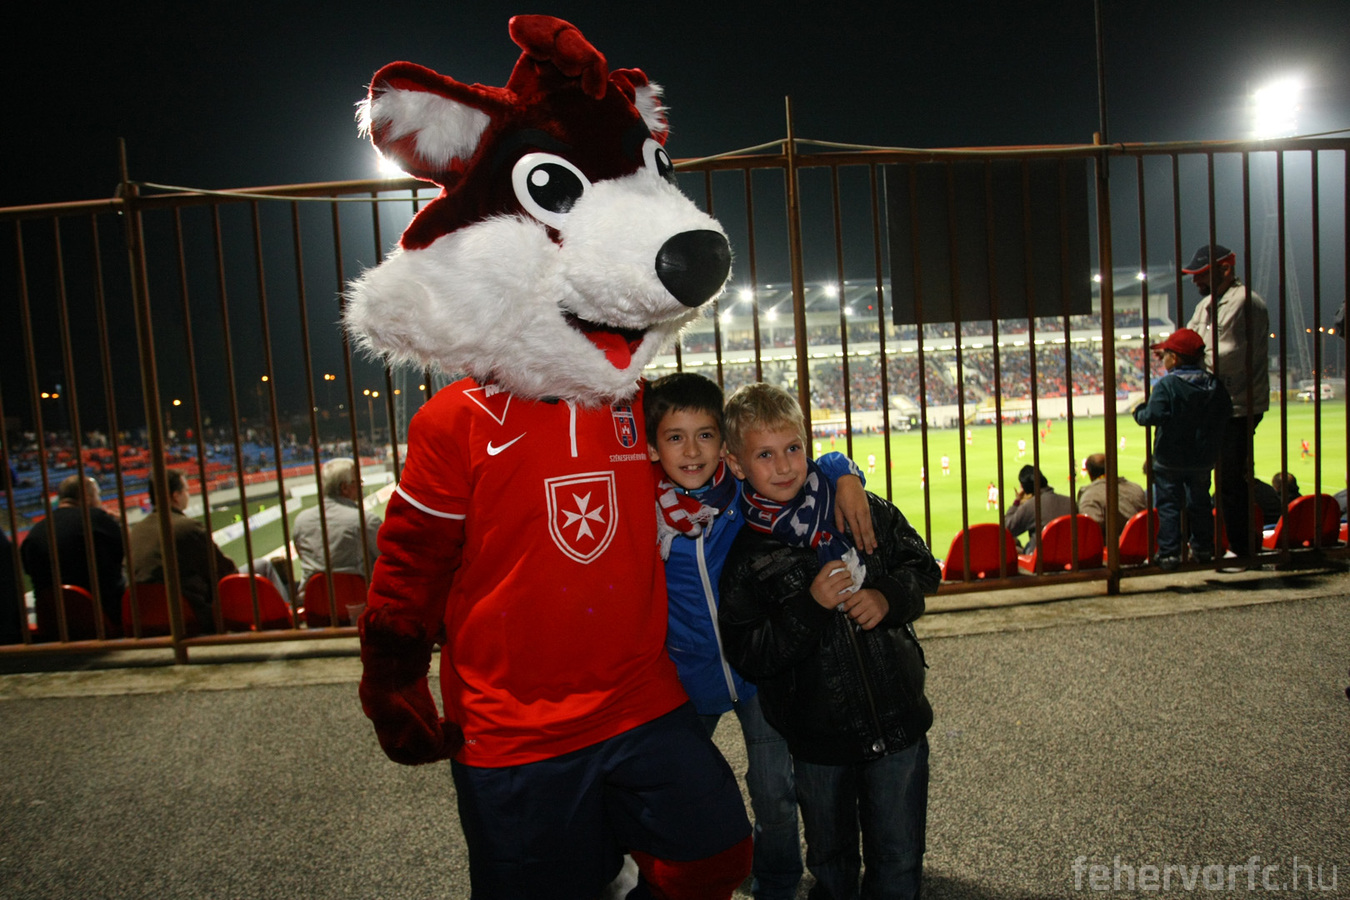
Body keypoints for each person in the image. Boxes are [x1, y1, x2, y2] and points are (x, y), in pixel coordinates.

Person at [645, 373, 874, 900]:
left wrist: (845, 472)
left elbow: (814, 466)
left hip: (757, 672)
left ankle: (777, 882)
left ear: (725, 450)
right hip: (686, 674)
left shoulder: (744, 495)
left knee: (774, 791)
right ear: (654, 448)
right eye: (675, 438)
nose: (692, 451)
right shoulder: (644, 508)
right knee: (678, 787)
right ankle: (680, 877)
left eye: (705, 435)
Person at [717, 382, 941, 900]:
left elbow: (923, 567)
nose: (784, 466)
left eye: (793, 448)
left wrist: (888, 596)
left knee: (900, 856)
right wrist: (810, 607)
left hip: (898, 719)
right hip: (818, 737)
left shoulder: (858, 507)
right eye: (765, 455)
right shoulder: (748, 556)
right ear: (735, 464)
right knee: (831, 860)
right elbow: (750, 653)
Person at [1183, 243, 1270, 560]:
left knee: (1230, 482)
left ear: (1225, 270)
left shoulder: (1245, 301)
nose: (1195, 280)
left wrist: (1188, 358)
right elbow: (1187, 343)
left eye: (1201, 274)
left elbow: (1224, 358)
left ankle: (1243, 550)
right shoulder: (1207, 304)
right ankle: (1211, 546)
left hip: (1237, 406)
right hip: (1216, 405)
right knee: (1204, 479)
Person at [1132, 329, 1232, 570]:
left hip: (1170, 457)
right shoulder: (1213, 383)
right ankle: (1203, 548)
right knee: (1200, 502)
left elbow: (1152, 416)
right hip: (1202, 457)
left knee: (1169, 505)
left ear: (1174, 358)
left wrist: (1139, 411)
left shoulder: (1167, 385)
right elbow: (1226, 411)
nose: (1163, 359)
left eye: (1166, 354)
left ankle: (1169, 553)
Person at [127, 468, 238, 632]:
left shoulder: (136, 531)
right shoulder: (186, 527)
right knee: (260, 567)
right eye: (186, 490)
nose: (188, 494)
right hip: (190, 615)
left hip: (143, 620)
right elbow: (224, 571)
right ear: (175, 496)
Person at [20, 474, 125, 631]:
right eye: (98, 495)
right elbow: (125, 557)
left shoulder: (35, 531)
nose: (100, 501)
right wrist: (119, 524)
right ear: (86, 496)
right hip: (101, 618)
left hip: (52, 622)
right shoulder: (97, 518)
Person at [292, 458, 382, 595]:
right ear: (345, 488)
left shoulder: (301, 521)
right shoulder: (366, 521)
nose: (362, 485)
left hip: (314, 602)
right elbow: (391, 559)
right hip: (358, 600)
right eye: (358, 481)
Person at [1003, 465, 1074, 553]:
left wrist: (1016, 502)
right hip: (1068, 554)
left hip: (1041, 557)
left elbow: (1007, 529)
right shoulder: (1070, 502)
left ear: (1024, 488)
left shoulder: (1031, 506)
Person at [1075, 452, 1147, 536]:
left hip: (1110, 543)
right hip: (1140, 539)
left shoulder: (1090, 496)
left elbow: (1090, 530)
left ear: (1090, 474)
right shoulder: (1136, 488)